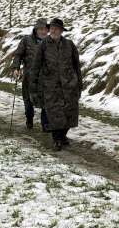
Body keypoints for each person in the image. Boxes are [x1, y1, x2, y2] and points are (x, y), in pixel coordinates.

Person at [29, 18, 82, 150]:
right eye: (52, 28)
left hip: (69, 85)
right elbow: (36, 66)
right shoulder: (43, 45)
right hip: (50, 86)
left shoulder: (69, 44)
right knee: (54, 114)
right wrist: (33, 86)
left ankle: (62, 136)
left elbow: (76, 65)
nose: (53, 31)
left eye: (56, 29)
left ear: (61, 31)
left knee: (70, 114)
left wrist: (79, 84)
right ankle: (57, 139)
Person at [12, 20, 50, 130]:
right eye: (41, 29)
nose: (43, 32)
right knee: (28, 101)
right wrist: (16, 68)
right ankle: (29, 118)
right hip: (29, 77)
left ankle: (45, 125)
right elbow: (18, 55)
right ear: (36, 30)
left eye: (45, 29)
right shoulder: (26, 40)